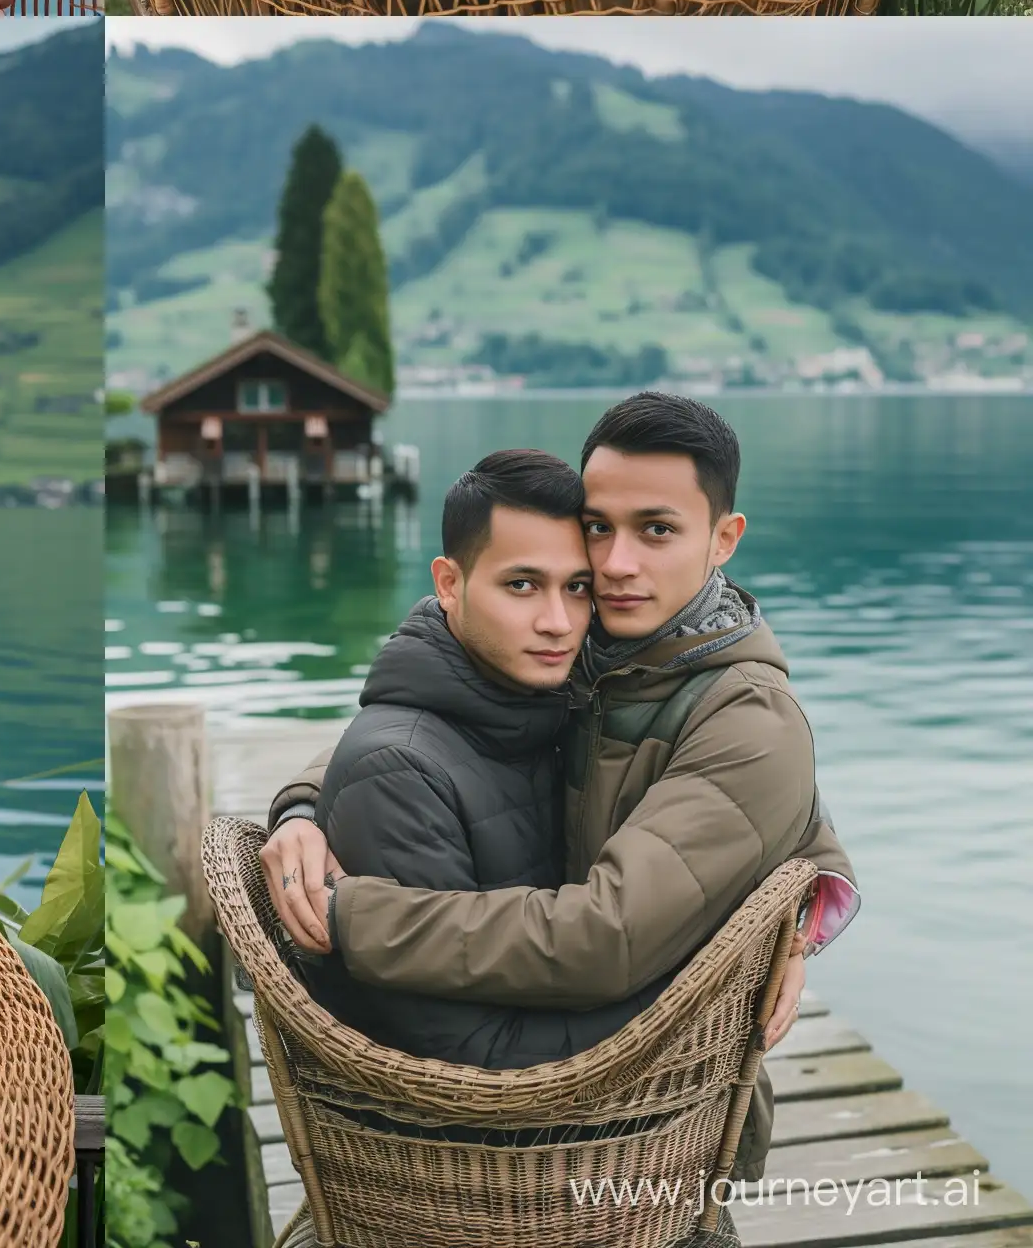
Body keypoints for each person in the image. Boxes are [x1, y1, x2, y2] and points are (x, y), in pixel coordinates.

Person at [262, 393, 857, 1176]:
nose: (615, 566)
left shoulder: (746, 717)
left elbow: (607, 936)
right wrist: (304, 806)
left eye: (657, 530)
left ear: (724, 539)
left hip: (659, 1118)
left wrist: (354, 917)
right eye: (600, 529)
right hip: (521, 1096)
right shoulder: (592, 642)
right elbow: (437, 704)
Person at [299, 448, 674, 1065]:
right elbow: (462, 1053)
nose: (558, 622)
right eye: (521, 585)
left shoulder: (560, 708)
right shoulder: (398, 774)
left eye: (577, 588)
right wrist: (698, 1002)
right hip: (471, 1151)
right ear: (449, 584)